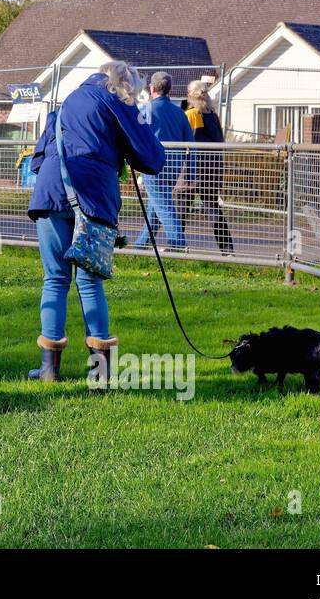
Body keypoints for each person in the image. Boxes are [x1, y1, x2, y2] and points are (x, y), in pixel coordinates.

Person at [26, 62, 165, 383]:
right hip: (94, 197)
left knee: (55, 279)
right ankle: (100, 374)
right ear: (127, 87)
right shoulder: (118, 103)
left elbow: (37, 159)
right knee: (89, 282)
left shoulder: (68, 102)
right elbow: (153, 158)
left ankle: (49, 370)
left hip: (50, 192)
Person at [132, 71, 196, 252]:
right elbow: (191, 144)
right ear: (170, 89)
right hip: (174, 168)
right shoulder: (179, 112)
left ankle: (178, 246)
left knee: (164, 208)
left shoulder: (147, 110)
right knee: (156, 208)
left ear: (151, 88)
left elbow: (136, 137)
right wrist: (191, 173)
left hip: (153, 166)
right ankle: (139, 247)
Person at [183, 79, 234, 255]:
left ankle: (176, 244)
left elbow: (188, 139)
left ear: (191, 95)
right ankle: (227, 250)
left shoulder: (193, 114)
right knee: (212, 207)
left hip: (195, 168)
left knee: (183, 207)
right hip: (215, 165)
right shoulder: (212, 114)